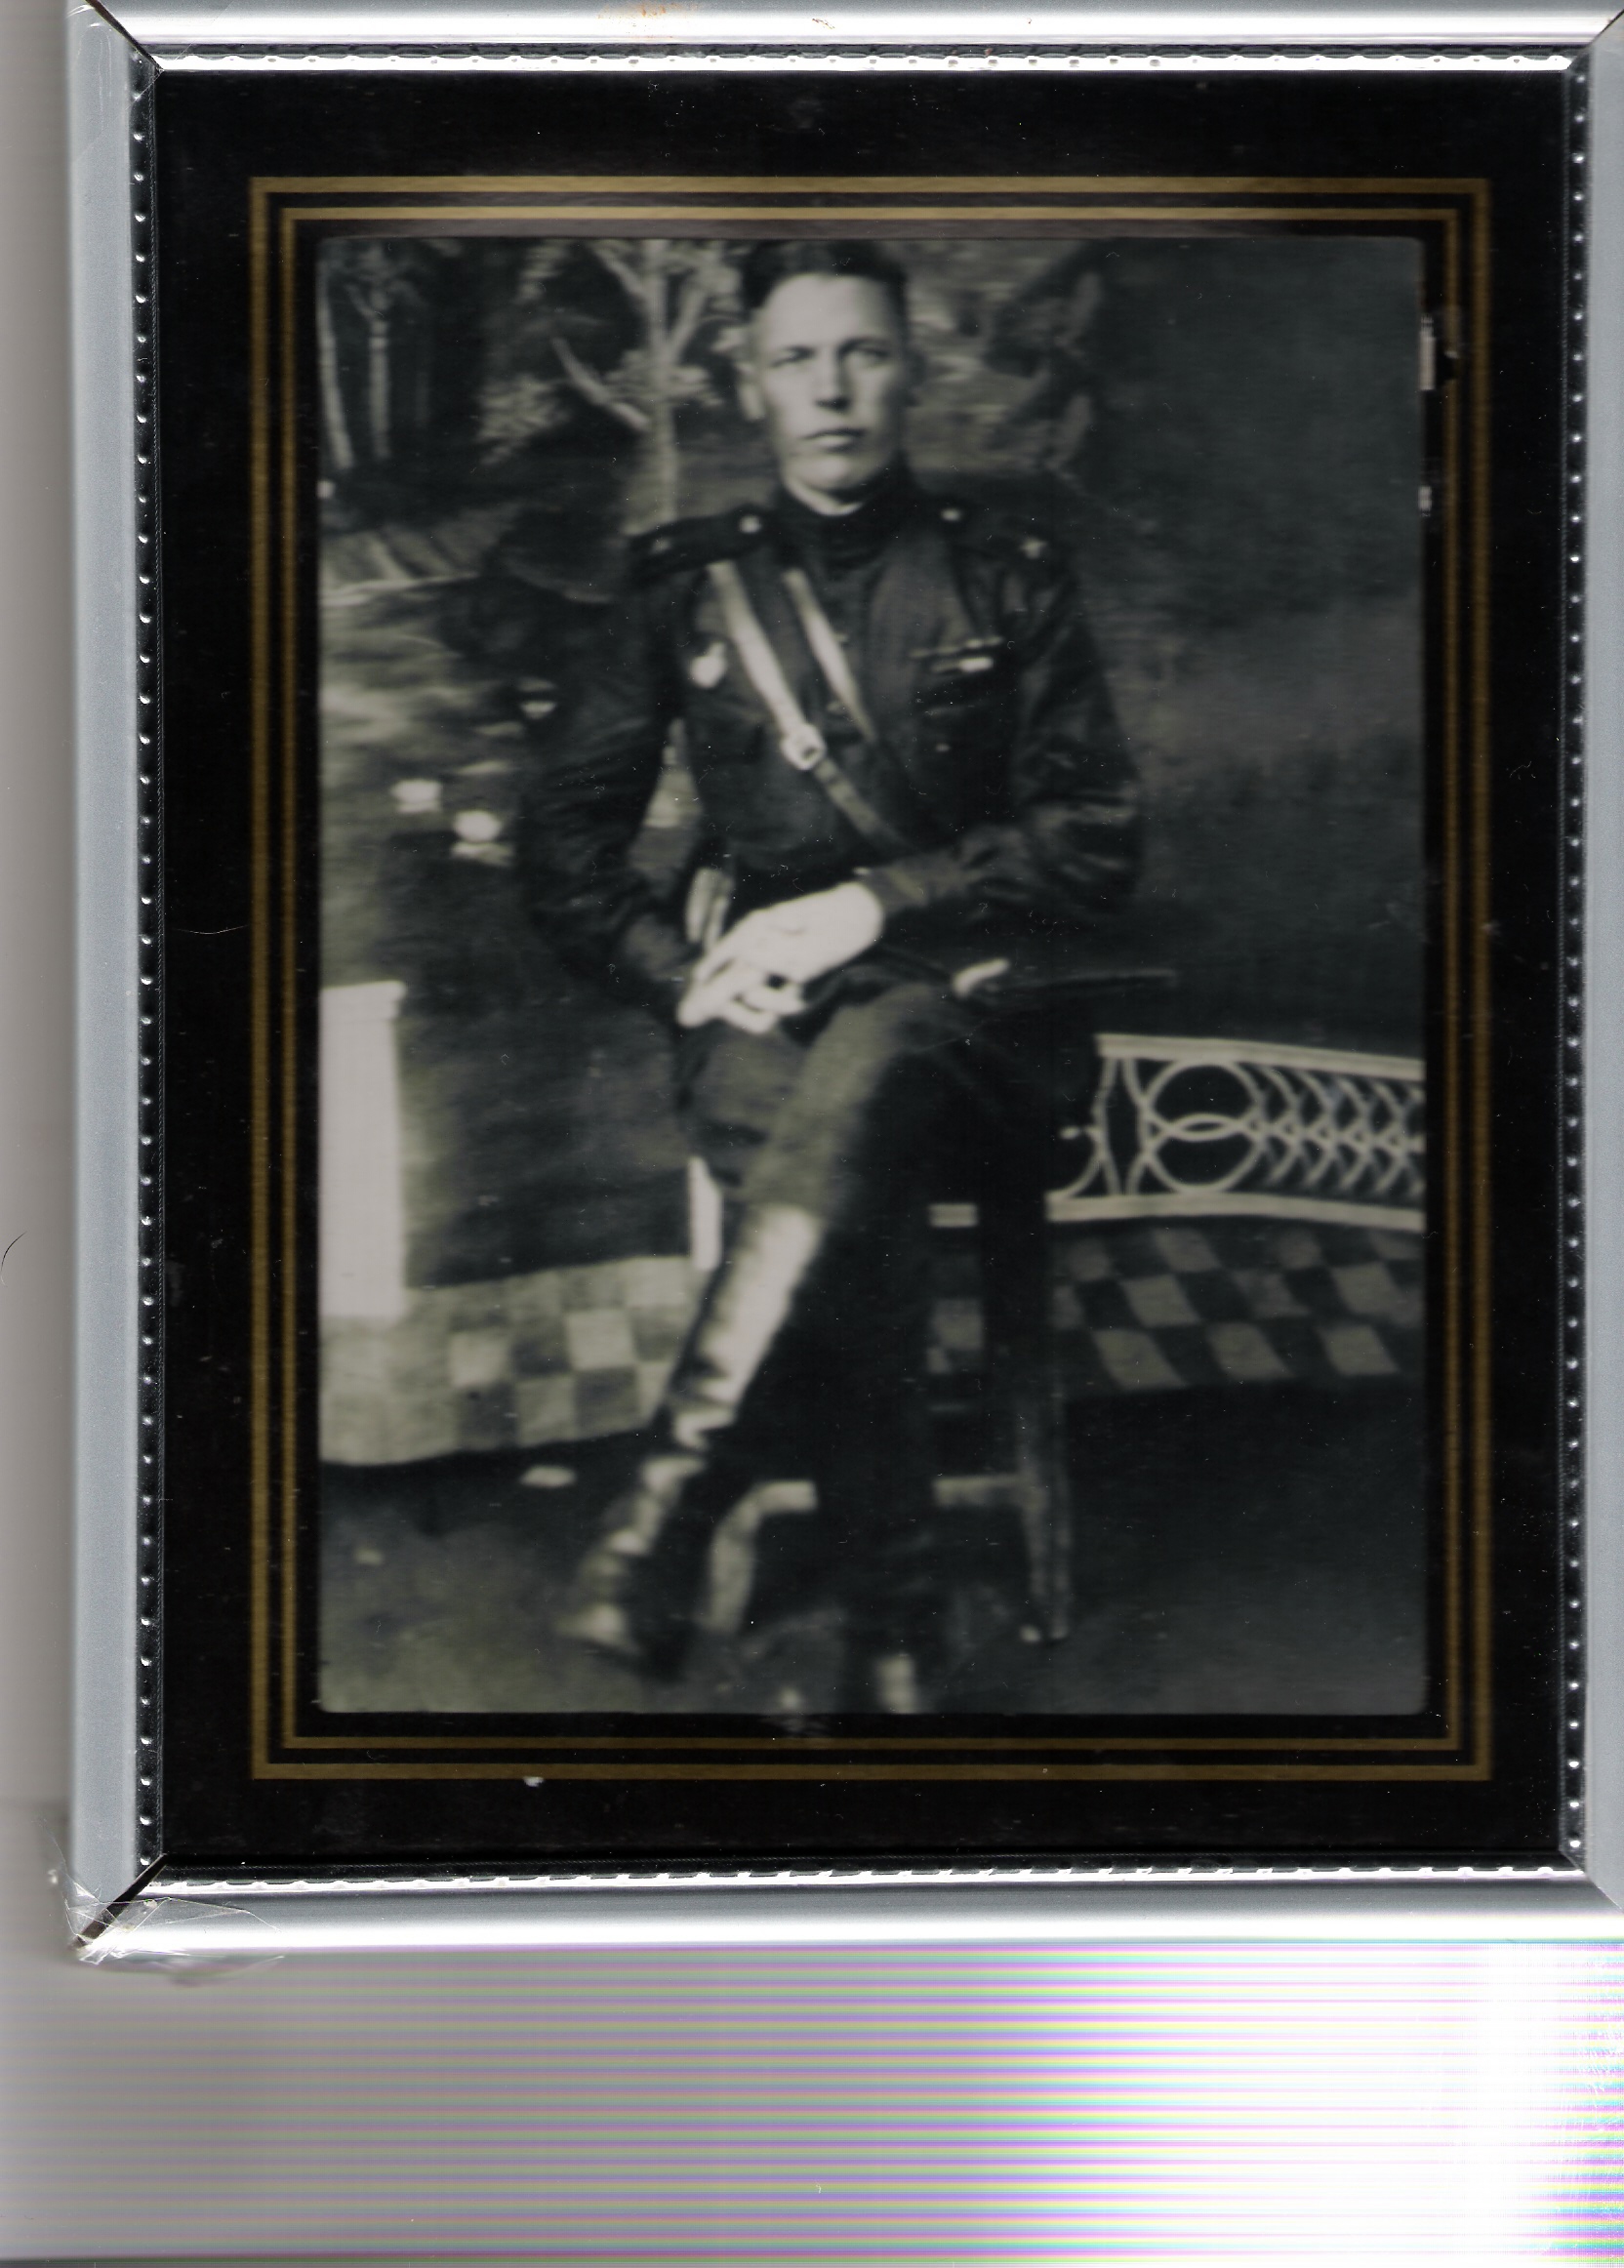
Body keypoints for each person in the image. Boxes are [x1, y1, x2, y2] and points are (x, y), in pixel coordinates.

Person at [516, 239, 1140, 1712]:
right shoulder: (687, 587)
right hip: (768, 1024)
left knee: (886, 1046)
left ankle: (673, 1510)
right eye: (797, 359)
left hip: (983, 1020)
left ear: (911, 370)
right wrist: (679, 974)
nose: (833, 389)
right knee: (831, 1124)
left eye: (863, 352)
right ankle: (891, 1631)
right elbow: (563, 845)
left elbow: (1095, 838)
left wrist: (873, 903)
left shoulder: (1006, 572)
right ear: (752, 383)